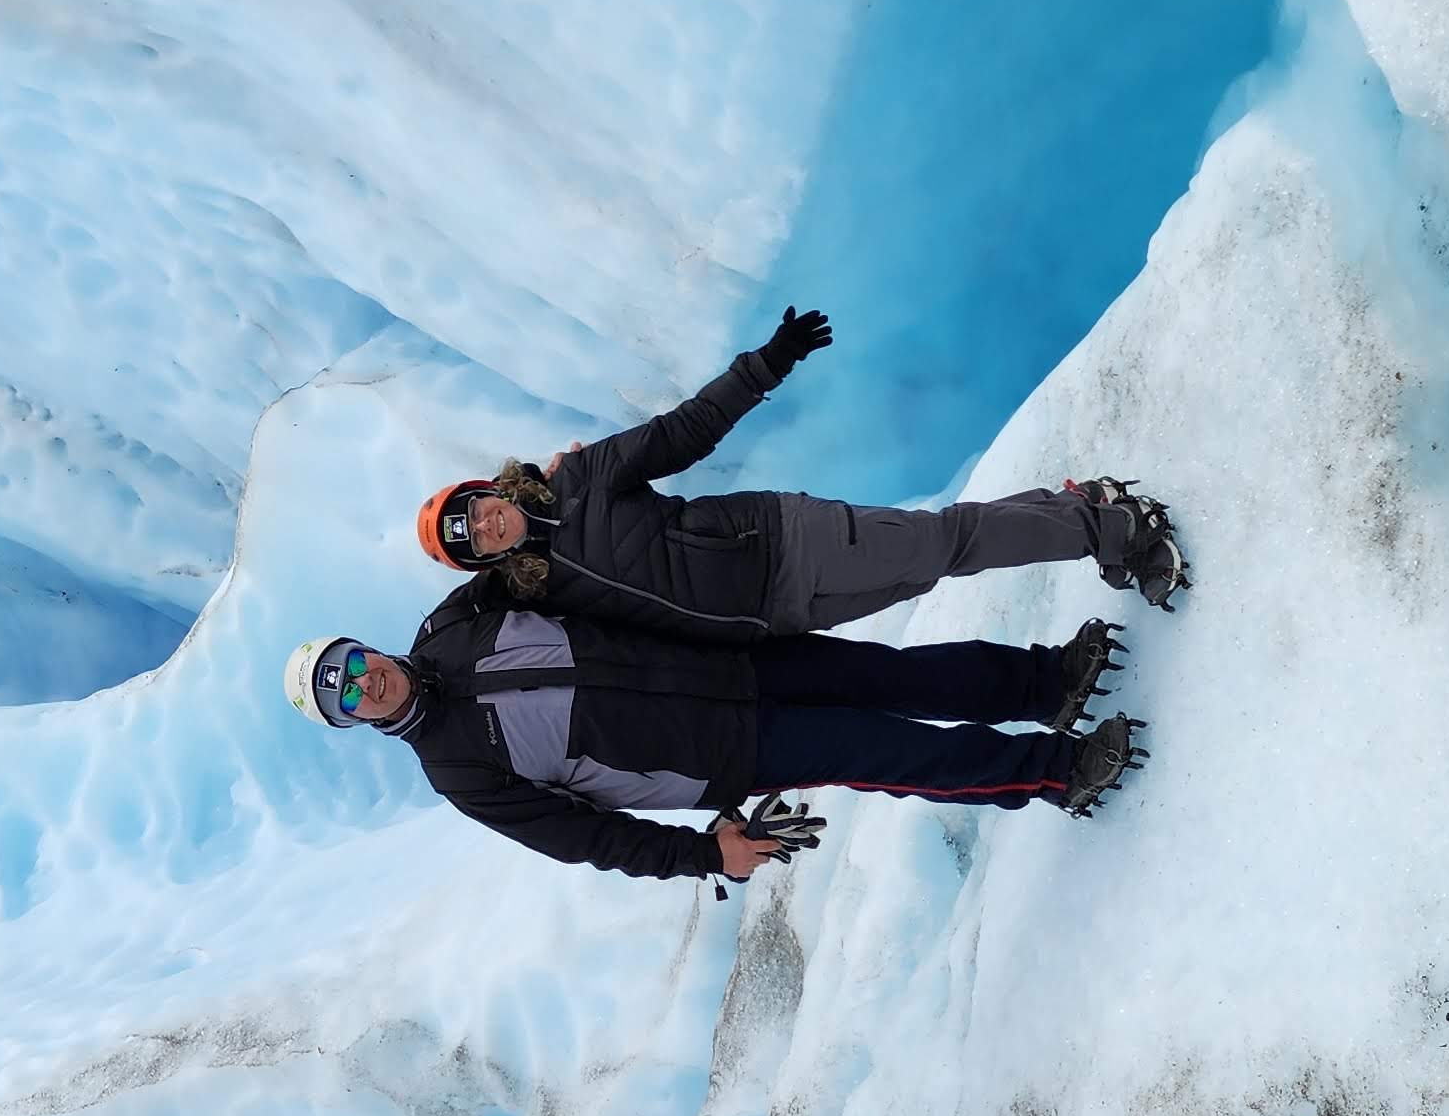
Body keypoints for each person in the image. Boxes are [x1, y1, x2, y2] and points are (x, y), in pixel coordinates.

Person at [285, 585, 1144, 883]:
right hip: (716, 756)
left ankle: (1046, 681)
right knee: (890, 747)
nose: (366, 682)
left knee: (894, 671)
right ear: (353, 721)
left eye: (353, 663)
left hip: (727, 662)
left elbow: (563, 560)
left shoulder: (455, 623)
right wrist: (704, 854)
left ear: (365, 646)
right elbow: (580, 835)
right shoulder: (456, 769)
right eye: (348, 695)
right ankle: (1060, 773)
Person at [413, 307, 1188, 635]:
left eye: (474, 509)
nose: (483, 524)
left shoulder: (579, 482)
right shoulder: (541, 591)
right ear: (484, 558)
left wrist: (764, 364)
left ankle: (1107, 526)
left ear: (488, 491)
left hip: (777, 538)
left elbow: (683, 433)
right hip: (771, 618)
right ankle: (1075, 505)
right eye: (471, 538)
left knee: (940, 545)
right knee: (929, 567)